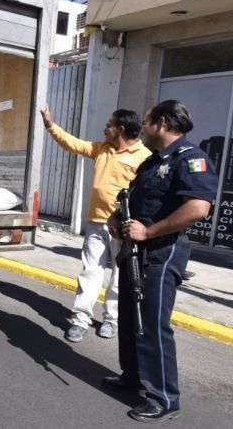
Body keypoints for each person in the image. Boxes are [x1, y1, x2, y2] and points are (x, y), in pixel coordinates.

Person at [104, 100, 217, 423]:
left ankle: (164, 398)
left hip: (162, 251)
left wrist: (149, 231)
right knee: (129, 315)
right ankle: (134, 376)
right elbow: (135, 198)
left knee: (152, 324)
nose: (143, 126)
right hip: (136, 249)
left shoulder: (191, 160)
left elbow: (197, 208)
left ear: (162, 123)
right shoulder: (152, 162)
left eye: (148, 120)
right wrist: (116, 217)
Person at [40, 106, 150, 343]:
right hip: (96, 222)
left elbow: (145, 195)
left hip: (123, 228)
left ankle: (112, 320)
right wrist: (51, 125)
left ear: (120, 129)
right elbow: (73, 144)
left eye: (109, 124)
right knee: (90, 272)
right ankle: (80, 320)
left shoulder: (143, 157)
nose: (104, 127)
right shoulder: (102, 148)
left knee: (120, 276)